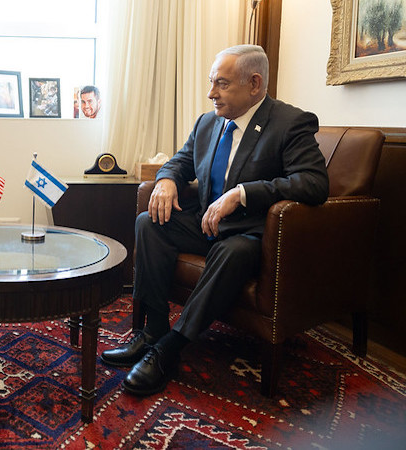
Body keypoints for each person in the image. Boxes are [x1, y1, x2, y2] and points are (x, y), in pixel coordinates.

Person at [100, 45, 329, 396]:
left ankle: (169, 349)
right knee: (149, 222)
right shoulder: (208, 122)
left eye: (221, 84)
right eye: (211, 82)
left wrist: (242, 193)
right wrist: (165, 180)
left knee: (232, 251)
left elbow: (313, 184)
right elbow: (180, 161)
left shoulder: (290, 123)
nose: (211, 93)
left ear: (254, 84)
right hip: (206, 223)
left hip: (253, 235)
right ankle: (153, 330)